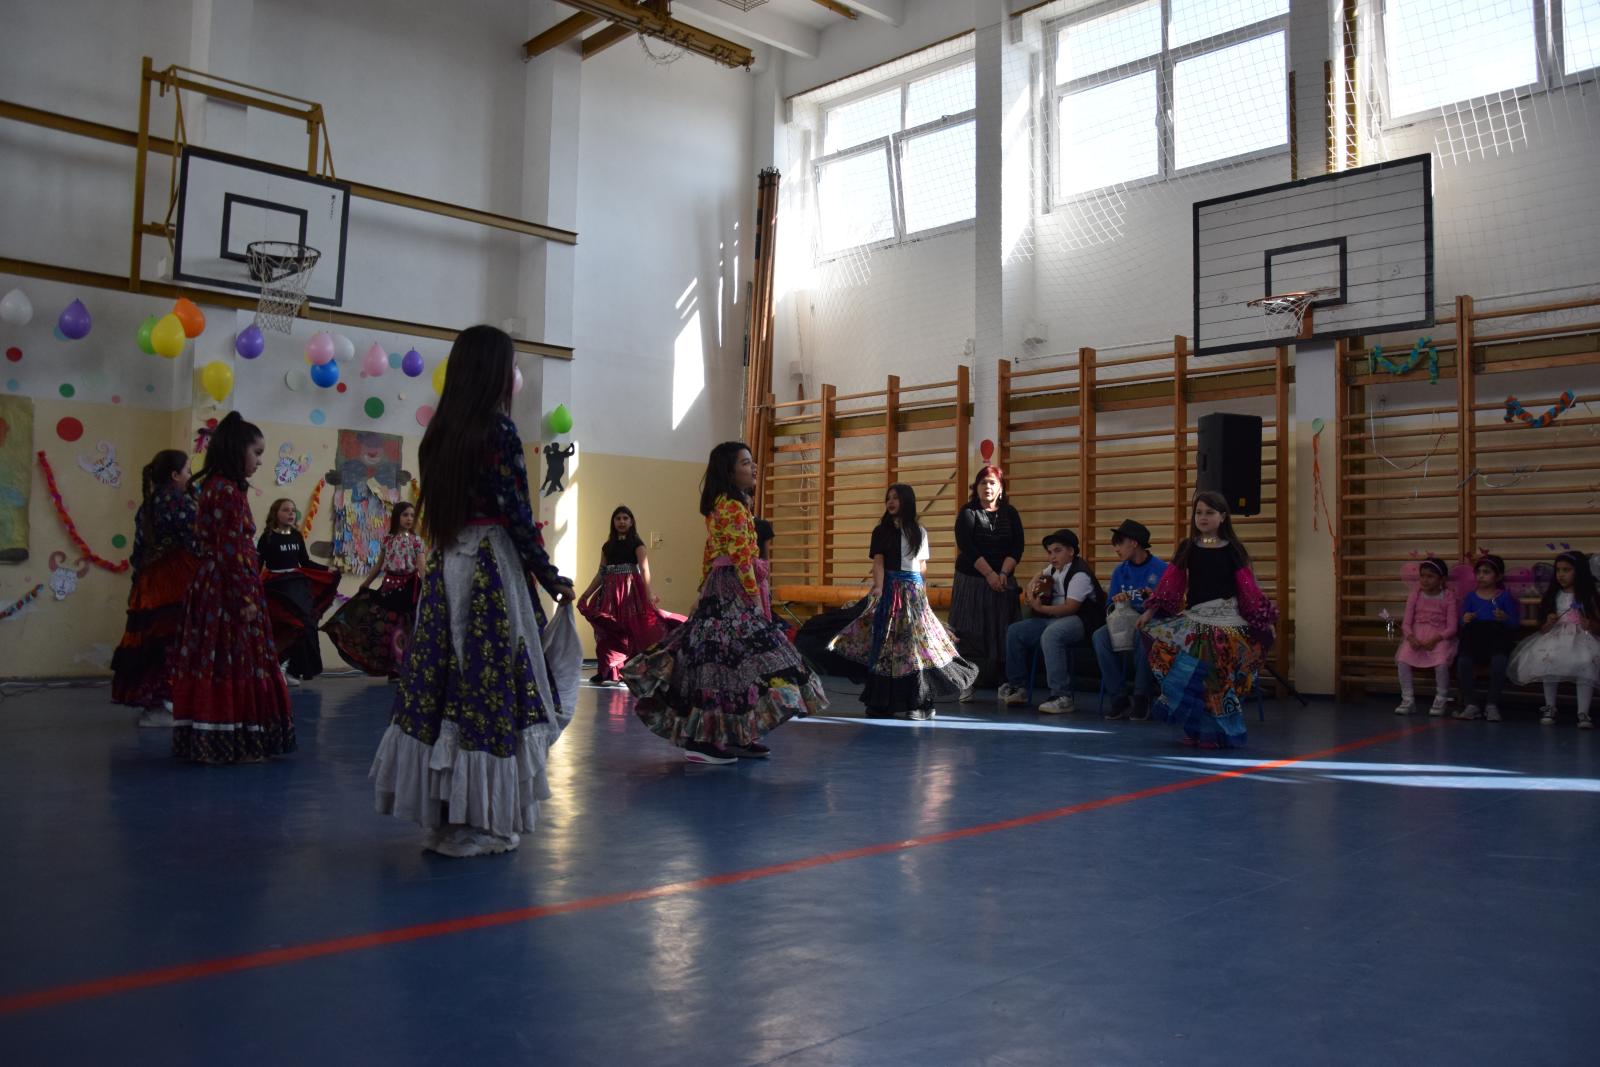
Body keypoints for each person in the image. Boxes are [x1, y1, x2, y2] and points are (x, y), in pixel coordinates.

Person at [370, 325, 579, 858]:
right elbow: (516, 513)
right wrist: (548, 574)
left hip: (447, 570)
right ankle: (481, 821)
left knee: (444, 683)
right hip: (489, 571)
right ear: (493, 371)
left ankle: (447, 819)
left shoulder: (438, 434)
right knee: (488, 684)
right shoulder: (498, 432)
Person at [621, 441, 827, 764]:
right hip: (731, 590)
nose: (753, 467)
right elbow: (741, 556)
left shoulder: (733, 504)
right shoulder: (731, 506)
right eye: (745, 462)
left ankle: (736, 733)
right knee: (724, 662)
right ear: (729, 472)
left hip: (724, 587)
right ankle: (703, 740)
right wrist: (753, 596)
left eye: (751, 461)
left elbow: (712, 553)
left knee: (734, 663)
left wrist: (703, 589)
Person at [169, 413, 294, 764]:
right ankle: (234, 739)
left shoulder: (215, 486)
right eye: (257, 453)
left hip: (215, 583)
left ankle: (216, 735)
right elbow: (230, 549)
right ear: (238, 451)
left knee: (218, 659)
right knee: (234, 659)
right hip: (227, 587)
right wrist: (244, 598)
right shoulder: (227, 491)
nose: (260, 461)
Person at [1138, 491, 1277, 748]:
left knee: (1215, 678)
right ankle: (1193, 729)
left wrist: (1264, 619)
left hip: (1225, 623)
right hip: (1195, 620)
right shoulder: (1188, 547)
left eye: (1209, 513)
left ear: (1222, 517)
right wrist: (1149, 612)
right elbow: (1171, 583)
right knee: (1189, 675)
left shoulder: (1233, 549)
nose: (1203, 517)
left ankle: (1213, 733)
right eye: (1199, 512)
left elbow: (1248, 589)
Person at [828, 483, 977, 720]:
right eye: (888, 498)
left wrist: (923, 598)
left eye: (896, 498)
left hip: (914, 594)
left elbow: (922, 566)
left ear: (907, 501)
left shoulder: (920, 532)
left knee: (913, 647)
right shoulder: (881, 532)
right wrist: (879, 586)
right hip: (891, 592)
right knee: (888, 646)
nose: (891, 502)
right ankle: (882, 702)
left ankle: (919, 702)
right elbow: (878, 562)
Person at [111, 449, 199, 727]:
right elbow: (197, 539)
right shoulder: (180, 502)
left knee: (153, 643)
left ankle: (156, 705)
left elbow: (138, 551)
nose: (190, 476)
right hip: (174, 581)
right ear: (175, 475)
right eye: (187, 471)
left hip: (150, 581)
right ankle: (167, 702)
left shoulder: (147, 505)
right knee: (174, 641)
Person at [996, 529, 1105, 714]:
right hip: (1053, 619)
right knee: (1015, 631)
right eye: (1050, 552)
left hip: (1081, 621)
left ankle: (1062, 696)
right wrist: (1030, 590)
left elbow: (1070, 608)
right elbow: (1038, 575)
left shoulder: (1080, 574)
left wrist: (1040, 609)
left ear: (1071, 551)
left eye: (1058, 551)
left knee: (1052, 634)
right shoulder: (1053, 569)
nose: (1052, 556)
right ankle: (1018, 687)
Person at [577, 505, 683, 685]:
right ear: (613, 522)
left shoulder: (637, 544)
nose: (622, 522)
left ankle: (634, 671)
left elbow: (644, 569)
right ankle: (606, 671)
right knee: (608, 629)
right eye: (618, 518)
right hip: (609, 595)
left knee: (634, 629)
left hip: (631, 594)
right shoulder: (607, 546)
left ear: (631, 522)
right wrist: (586, 594)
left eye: (625, 518)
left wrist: (649, 593)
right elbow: (601, 573)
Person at [322, 501, 426, 678]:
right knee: (385, 627)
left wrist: (428, 587)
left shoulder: (416, 541)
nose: (409, 518)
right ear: (397, 517)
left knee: (403, 627)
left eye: (412, 515)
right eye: (405, 515)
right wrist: (366, 583)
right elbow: (379, 565)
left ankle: (403, 668)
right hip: (389, 586)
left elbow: (422, 567)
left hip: (408, 588)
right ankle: (391, 668)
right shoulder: (388, 539)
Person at [949, 465, 1024, 699]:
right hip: (971, 581)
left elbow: (1017, 547)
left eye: (992, 483)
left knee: (1003, 632)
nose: (987, 487)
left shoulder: (1010, 513)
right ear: (976, 487)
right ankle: (965, 682)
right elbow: (967, 547)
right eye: (983, 483)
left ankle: (1005, 682)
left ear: (1001, 488)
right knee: (968, 632)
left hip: (1002, 580)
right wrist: (990, 574)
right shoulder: (968, 512)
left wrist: (1002, 574)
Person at [1509, 548, 1599, 728]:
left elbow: (1597, 625)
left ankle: (1583, 712)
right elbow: (1542, 629)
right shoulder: (1553, 595)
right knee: (1548, 662)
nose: (1561, 574)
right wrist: (1549, 622)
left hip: (1582, 639)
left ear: (1579, 572)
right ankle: (1550, 706)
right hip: (1555, 637)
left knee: (1586, 663)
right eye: (1558, 570)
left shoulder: (1589, 596)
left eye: (1567, 570)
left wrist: (1589, 624)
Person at [1091, 519, 1168, 722]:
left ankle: (1142, 697)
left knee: (1143, 635)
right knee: (1099, 637)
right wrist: (1118, 601)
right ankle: (1119, 698)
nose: (1116, 549)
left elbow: (1170, 606)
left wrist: (1151, 601)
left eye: (1119, 543)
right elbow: (1109, 607)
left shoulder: (1161, 569)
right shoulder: (1120, 571)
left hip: (1154, 623)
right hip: (1125, 622)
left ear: (1134, 543)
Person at [258, 498, 339, 686]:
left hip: (296, 586)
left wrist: (327, 570)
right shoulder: (267, 537)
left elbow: (305, 561)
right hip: (277, 588)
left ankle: (293, 669)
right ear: (276, 513)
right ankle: (279, 666)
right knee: (288, 627)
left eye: (293, 510)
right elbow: (258, 565)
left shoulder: (296, 536)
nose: (291, 514)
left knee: (307, 626)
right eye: (286, 510)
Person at [1454, 554, 1519, 722]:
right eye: (1479, 572)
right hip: (1474, 637)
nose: (1481, 576)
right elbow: (1462, 622)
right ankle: (1471, 704)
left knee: (1499, 662)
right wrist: (1465, 619)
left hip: (1496, 637)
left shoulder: (1504, 597)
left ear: (1498, 576)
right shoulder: (1470, 597)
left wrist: (1505, 618)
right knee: (1463, 661)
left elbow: (1514, 623)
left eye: (1486, 572)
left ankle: (1492, 704)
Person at [1393, 557, 1459, 716]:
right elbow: (1406, 623)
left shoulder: (1448, 596)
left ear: (1441, 579)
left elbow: (1452, 627)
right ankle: (1407, 699)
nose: (1425, 580)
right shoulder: (1415, 594)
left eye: (1430, 576)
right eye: (1422, 575)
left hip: (1439, 637)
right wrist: (1411, 638)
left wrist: (1435, 640)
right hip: (1415, 636)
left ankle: (1441, 698)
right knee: (1402, 660)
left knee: (1441, 663)